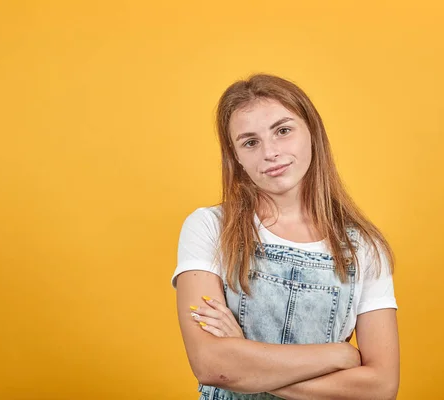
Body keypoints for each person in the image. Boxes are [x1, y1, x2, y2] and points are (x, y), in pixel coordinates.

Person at [171, 73, 400, 400]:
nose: (270, 153)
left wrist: (244, 357)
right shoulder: (209, 228)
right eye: (250, 142)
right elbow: (213, 365)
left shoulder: (364, 248)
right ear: (235, 156)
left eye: (283, 131)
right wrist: (337, 356)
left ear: (312, 132)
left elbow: (380, 388)